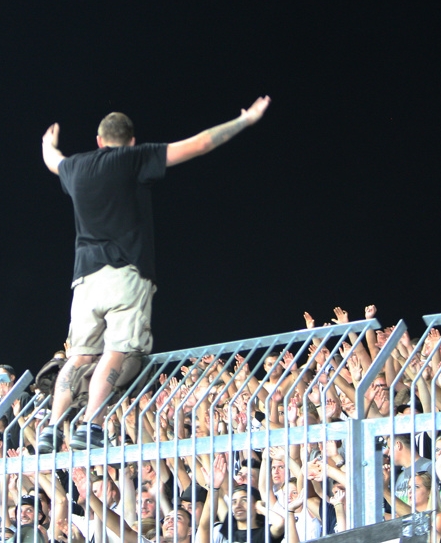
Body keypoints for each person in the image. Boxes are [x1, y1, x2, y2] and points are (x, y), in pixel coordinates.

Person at [38, 96, 271, 452]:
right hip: (125, 274)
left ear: (99, 141)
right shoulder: (133, 158)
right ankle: (90, 423)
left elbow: (53, 162)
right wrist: (246, 121)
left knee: (80, 355)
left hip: (84, 279)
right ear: (130, 141)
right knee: (117, 349)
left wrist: (47, 143)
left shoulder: (76, 167)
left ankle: (52, 427)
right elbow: (200, 143)